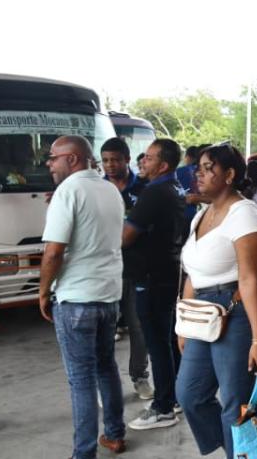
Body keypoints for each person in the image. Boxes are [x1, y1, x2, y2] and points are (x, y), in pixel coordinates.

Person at [176, 144, 257, 457]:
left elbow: (250, 278)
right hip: (205, 314)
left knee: (235, 402)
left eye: (208, 168)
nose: (199, 173)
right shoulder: (202, 215)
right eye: (199, 168)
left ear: (229, 175)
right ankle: (241, 449)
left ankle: (241, 452)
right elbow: (193, 273)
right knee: (190, 394)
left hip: (238, 309)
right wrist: (184, 324)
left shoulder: (245, 214)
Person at [38, 135, 128, 459]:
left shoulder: (68, 191)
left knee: (81, 380)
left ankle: (84, 453)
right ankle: (115, 435)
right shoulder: (110, 190)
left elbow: (53, 252)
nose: (49, 164)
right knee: (106, 367)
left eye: (53, 157)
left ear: (73, 159)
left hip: (76, 298)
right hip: (108, 297)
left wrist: (43, 291)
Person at [121, 138, 187, 431]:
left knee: (157, 342)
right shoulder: (174, 188)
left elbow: (126, 236)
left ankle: (162, 407)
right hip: (168, 271)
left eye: (148, 158)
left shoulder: (154, 192)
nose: (142, 162)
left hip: (150, 275)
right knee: (167, 339)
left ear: (163, 164)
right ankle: (173, 397)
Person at [99, 137, 151, 401]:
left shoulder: (143, 188)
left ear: (127, 159)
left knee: (138, 325)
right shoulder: (96, 188)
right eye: (105, 160)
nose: (110, 165)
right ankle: (105, 383)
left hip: (137, 268)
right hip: (104, 270)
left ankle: (140, 376)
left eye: (115, 160)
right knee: (104, 328)